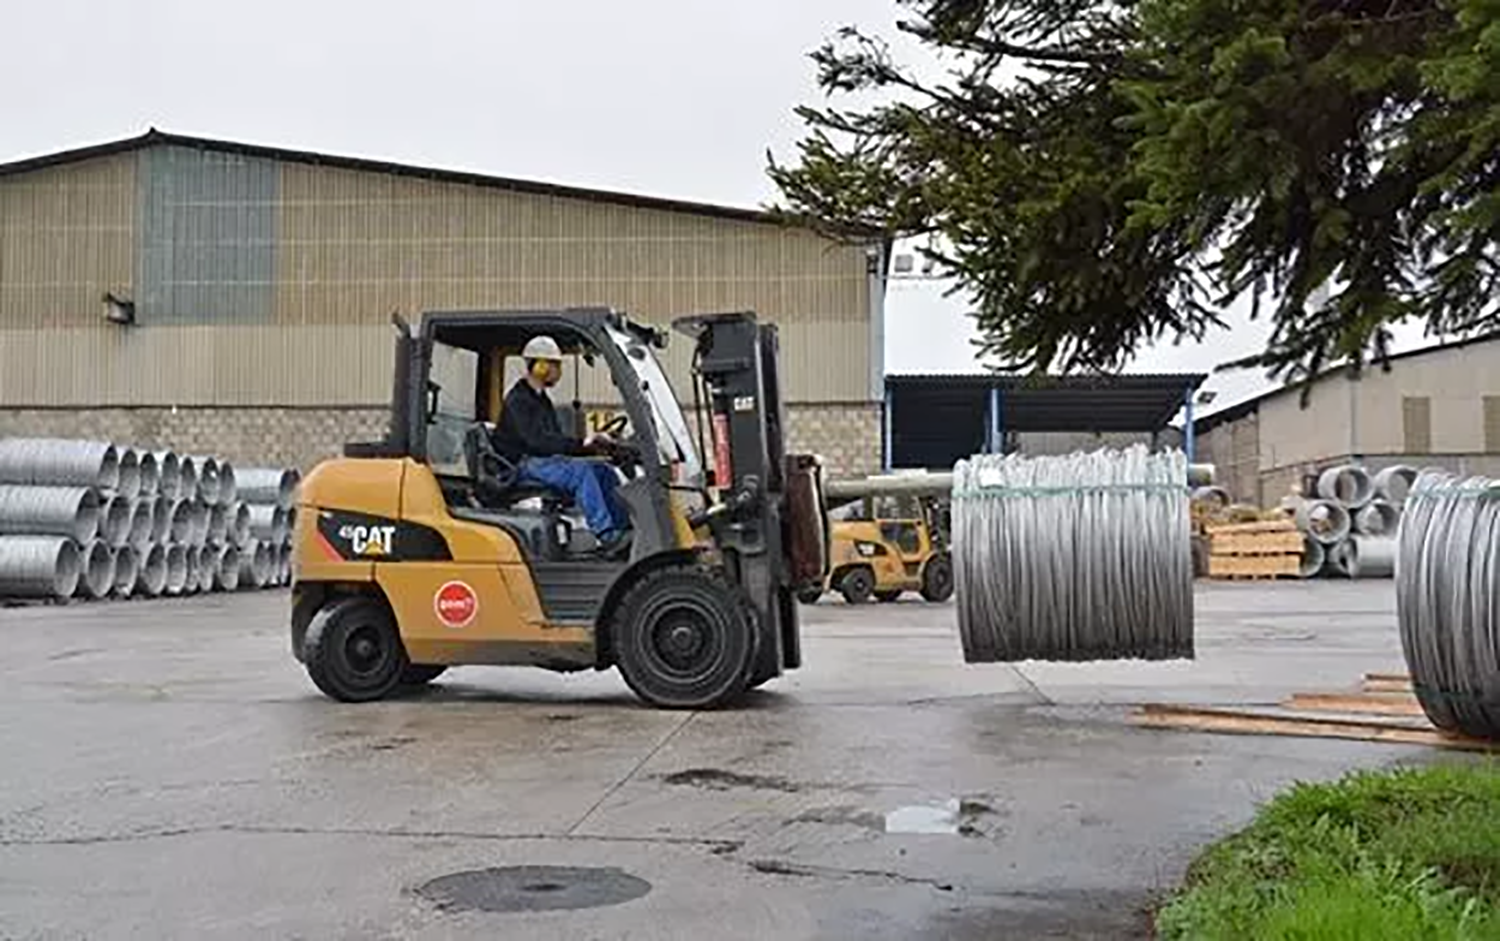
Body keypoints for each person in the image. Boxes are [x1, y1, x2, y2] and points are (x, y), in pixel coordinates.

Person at [490, 335, 632, 556]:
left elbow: (555, 440)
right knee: (582, 473)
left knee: (603, 470)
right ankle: (606, 535)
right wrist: (580, 444)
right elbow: (536, 442)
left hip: (541, 460)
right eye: (555, 364)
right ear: (540, 366)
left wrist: (589, 445)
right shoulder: (518, 400)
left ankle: (623, 528)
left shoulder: (541, 400)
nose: (558, 371)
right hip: (521, 464)